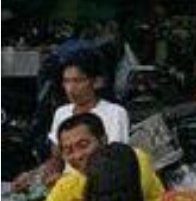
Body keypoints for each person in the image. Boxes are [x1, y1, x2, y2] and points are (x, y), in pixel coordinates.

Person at [2, 112, 163, 201]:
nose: (77, 155)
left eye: (83, 145)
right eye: (68, 150)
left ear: (103, 140)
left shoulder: (132, 160)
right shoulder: (67, 185)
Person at [15, 49, 129, 190]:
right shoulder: (61, 113)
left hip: (100, 190)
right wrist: (32, 176)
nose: (70, 89)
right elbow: (56, 160)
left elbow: (115, 163)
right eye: (66, 81)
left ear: (97, 82)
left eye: (78, 81)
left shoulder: (115, 113)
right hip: (66, 189)